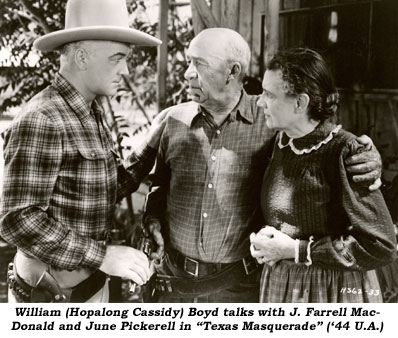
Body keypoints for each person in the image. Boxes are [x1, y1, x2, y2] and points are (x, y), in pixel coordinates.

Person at [143, 28, 383, 303]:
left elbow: (319, 141)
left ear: (232, 72)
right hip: (175, 283)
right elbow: (152, 180)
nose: (186, 73)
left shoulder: (271, 122)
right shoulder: (171, 120)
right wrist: (151, 218)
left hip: (240, 287)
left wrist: (363, 156)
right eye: (188, 61)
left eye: (198, 63)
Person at [0, 0, 165, 303]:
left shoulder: (88, 113)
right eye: (118, 58)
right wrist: (102, 256)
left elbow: (109, 187)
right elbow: (17, 220)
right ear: (81, 57)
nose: (126, 70)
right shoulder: (44, 118)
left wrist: (154, 138)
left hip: (88, 289)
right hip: (50, 295)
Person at [250, 48, 397, 303]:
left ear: (300, 103)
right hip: (283, 286)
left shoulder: (345, 152)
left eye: (269, 95)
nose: (260, 102)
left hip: (331, 292)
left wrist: (298, 251)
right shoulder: (278, 143)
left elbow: (382, 246)